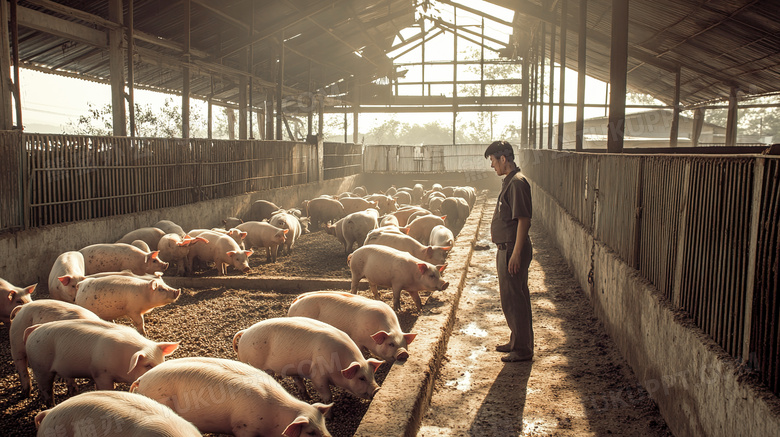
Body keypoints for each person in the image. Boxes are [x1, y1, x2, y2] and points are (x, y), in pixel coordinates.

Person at [484, 140, 534, 362]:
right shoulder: (510, 181)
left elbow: (524, 220)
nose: (492, 166)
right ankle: (517, 342)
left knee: (514, 299)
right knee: (514, 297)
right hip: (508, 248)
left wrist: (515, 253)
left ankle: (522, 350)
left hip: (513, 249)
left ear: (503, 159)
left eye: (493, 161)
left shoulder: (517, 183)